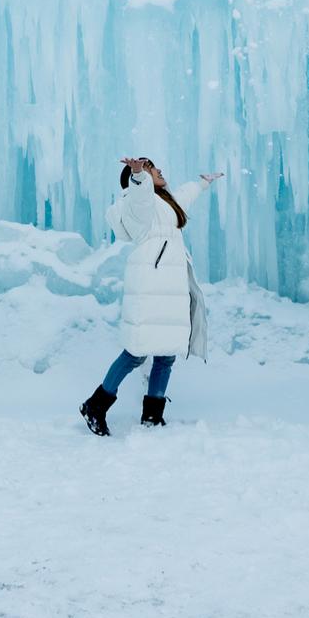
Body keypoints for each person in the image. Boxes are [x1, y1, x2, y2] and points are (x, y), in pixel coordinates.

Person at [80, 155, 223, 434]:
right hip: (153, 285)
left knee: (166, 353)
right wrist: (138, 176)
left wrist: (201, 184)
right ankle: (95, 405)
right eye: (152, 168)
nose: (158, 170)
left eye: (153, 168)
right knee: (135, 353)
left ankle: (152, 415)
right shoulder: (138, 205)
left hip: (169, 286)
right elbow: (141, 197)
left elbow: (181, 197)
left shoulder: (163, 203)